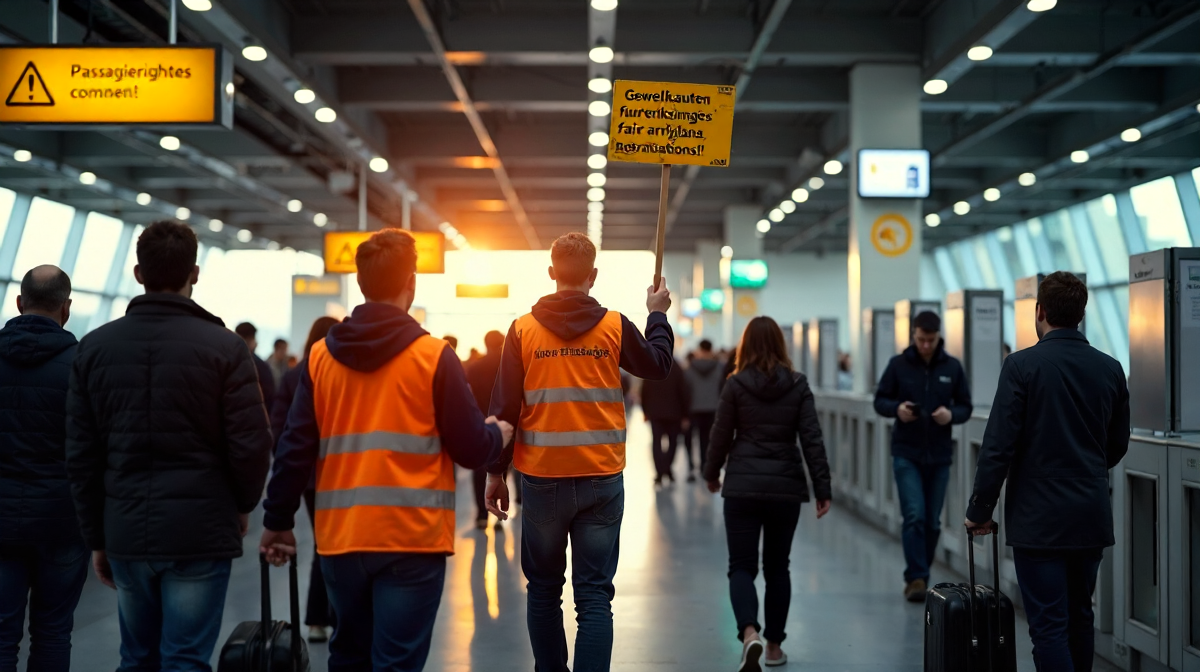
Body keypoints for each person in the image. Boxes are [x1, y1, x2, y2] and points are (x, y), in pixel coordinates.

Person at [259, 229, 511, 672]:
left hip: (341, 539)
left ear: (360, 283)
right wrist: (500, 434)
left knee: (349, 657)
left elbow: (294, 448)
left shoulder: (319, 358)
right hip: (411, 539)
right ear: (410, 283)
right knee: (396, 663)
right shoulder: (434, 357)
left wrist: (277, 521)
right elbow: (471, 447)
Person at [66, 221, 273, 672]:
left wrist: (96, 538)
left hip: (125, 529)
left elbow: (81, 456)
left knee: (136, 657)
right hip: (201, 530)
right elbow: (252, 443)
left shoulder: (94, 349)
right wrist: (242, 505)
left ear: (138, 273)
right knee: (185, 659)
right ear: (194, 274)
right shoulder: (226, 348)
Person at [484, 232, 673, 672]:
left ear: (552, 274)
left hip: (543, 479)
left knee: (544, 589)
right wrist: (657, 315)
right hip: (602, 480)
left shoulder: (523, 330)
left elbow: (504, 409)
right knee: (593, 596)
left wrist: (495, 472)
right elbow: (658, 366)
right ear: (592, 276)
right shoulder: (614, 326)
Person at [965, 272, 1129, 672]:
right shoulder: (1110, 368)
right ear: (1082, 313)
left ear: (1039, 312)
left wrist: (979, 509)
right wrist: (1084, 470)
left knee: (1049, 627)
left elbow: (998, 446)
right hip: (1089, 514)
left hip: (1039, 520)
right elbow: (1117, 444)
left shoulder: (1021, 365)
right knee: (1080, 617)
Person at [704, 316, 831, 672]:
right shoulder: (797, 384)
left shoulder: (735, 384)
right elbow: (812, 439)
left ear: (745, 345)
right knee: (778, 567)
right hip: (785, 489)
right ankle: (774, 647)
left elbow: (720, 435)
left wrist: (711, 474)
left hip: (742, 487)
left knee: (741, 566)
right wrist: (823, 488)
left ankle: (749, 634)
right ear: (780, 345)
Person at [0, 266, 87, 672]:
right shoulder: (82, 366)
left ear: (19, 303)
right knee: (53, 631)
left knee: (0, 633)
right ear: (66, 308)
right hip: (62, 520)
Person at [873, 310, 973, 602]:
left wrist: (950, 415)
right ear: (913, 336)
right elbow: (880, 400)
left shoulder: (952, 368)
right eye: (920, 340)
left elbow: (965, 406)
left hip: (939, 455)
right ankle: (916, 577)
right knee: (914, 514)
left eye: (930, 340)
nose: (925, 345)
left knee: (932, 522)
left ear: (938, 336)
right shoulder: (898, 365)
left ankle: (920, 571)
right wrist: (897, 410)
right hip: (906, 452)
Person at [270, 315, 339, 643]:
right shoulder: (340, 370)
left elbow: (280, 429)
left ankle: (316, 621)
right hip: (342, 471)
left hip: (308, 477)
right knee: (339, 544)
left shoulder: (296, 373)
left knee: (324, 543)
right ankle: (337, 616)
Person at [466, 329, 506, 530]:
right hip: (503, 425)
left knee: (480, 471)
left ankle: (482, 515)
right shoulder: (508, 366)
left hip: (479, 424)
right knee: (500, 469)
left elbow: (467, 398)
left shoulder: (474, 368)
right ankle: (499, 515)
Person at [641, 357, 691, 485]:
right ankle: (667, 469)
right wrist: (685, 414)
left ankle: (660, 472)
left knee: (656, 442)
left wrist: (645, 411)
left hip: (655, 412)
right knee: (673, 442)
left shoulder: (652, 366)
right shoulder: (677, 367)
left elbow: (644, 391)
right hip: (674, 413)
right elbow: (684, 391)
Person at [685, 339, 722, 480]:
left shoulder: (690, 368)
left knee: (690, 439)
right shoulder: (718, 367)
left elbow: (686, 389)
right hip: (712, 408)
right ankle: (704, 466)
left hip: (693, 409)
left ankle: (691, 467)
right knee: (706, 439)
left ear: (699, 350)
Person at [234, 321, 277, 424]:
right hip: (256, 421)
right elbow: (269, 397)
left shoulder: (228, 361)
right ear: (252, 339)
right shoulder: (261, 366)